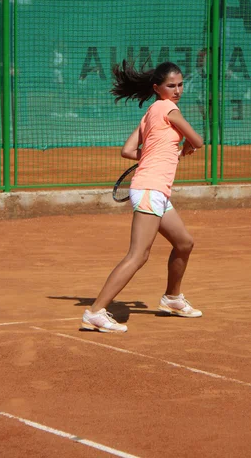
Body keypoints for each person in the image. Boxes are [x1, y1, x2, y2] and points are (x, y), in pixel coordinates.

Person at [81, 60, 204, 333]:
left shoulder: (150, 113)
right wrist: (184, 146)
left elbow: (128, 150)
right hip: (150, 188)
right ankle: (96, 311)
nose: (177, 90)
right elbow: (197, 140)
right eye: (171, 85)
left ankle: (172, 298)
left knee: (184, 243)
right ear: (157, 88)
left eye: (180, 84)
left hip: (155, 190)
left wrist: (162, 153)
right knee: (138, 255)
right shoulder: (168, 109)